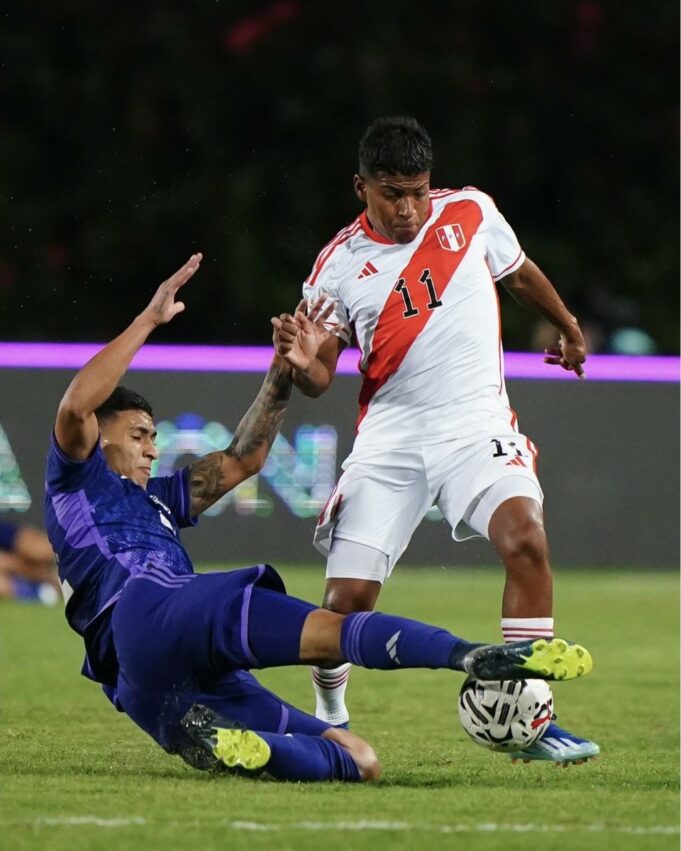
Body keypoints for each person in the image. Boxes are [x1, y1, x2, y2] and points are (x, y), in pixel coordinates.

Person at [44, 253, 592, 782]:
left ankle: (225, 741)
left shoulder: (160, 499)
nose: (150, 448)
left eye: (155, 438)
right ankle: (470, 655)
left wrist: (284, 366)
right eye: (138, 434)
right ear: (101, 434)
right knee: (330, 631)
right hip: (149, 606)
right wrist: (149, 318)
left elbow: (244, 459)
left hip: (143, 681)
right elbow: (75, 405)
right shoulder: (77, 479)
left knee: (359, 759)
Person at [272, 116, 599, 765]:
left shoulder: (470, 212)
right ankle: (329, 713)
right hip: (390, 439)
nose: (408, 207)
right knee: (346, 604)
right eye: (392, 193)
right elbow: (316, 376)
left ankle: (531, 719)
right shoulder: (337, 264)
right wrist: (301, 360)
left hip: (474, 425)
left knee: (526, 539)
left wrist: (566, 325)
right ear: (360, 187)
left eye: (417, 191)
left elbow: (519, 270)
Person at [0, 520, 60, 603]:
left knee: (34, 549)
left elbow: (22, 538)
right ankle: (34, 590)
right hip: (11, 577)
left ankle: (60, 575)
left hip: (18, 550)